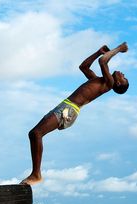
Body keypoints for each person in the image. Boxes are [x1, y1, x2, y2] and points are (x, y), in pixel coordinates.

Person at [20, 42, 129, 185]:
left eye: (123, 77)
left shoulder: (108, 83)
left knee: (36, 133)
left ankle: (36, 174)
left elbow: (103, 62)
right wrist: (98, 52)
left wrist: (119, 49)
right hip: (65, 106)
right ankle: (35, 174)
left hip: (69, 110)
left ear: (118, 84)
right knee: (34, 134)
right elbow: (83, 67)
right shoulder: (98, 80)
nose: (122, 73)